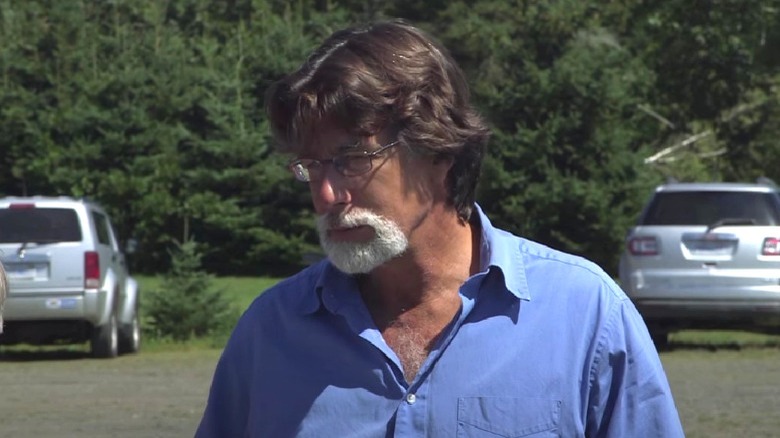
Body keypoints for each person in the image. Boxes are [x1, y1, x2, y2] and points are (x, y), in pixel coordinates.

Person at [196, 19, 684, 437]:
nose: (325, 195)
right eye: (311, 166)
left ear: (439, 152)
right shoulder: (271, 334)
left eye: (350, 160)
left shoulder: (584, 317)